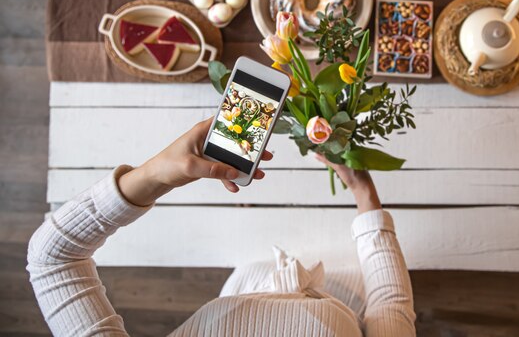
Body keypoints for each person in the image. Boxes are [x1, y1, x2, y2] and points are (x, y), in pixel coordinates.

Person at [27, 117, 417, 336]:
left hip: (242, 289)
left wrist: (156, 174)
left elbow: (54, 259)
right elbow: (389, 308)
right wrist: (364, 192)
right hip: (340, 299)